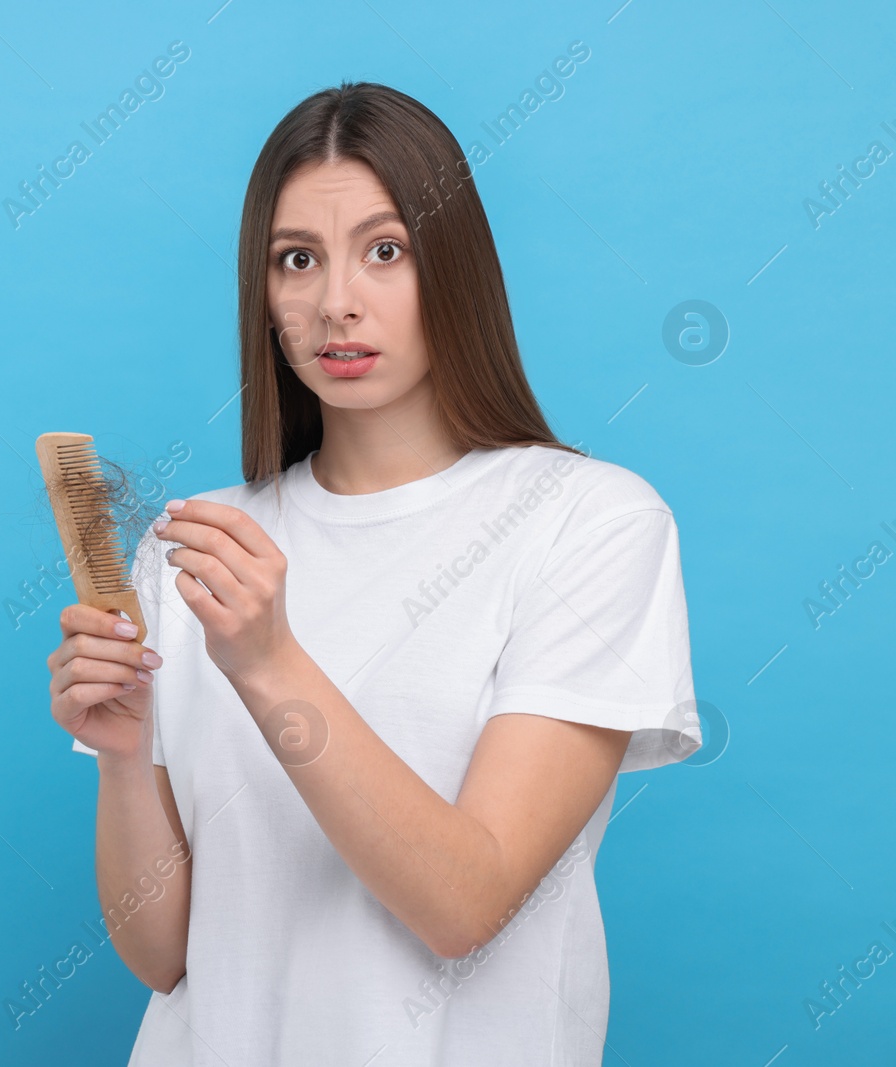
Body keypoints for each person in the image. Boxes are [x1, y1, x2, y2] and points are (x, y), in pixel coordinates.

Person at [45, 80, 703, 1066]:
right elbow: (165, 954)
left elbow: (463, 902)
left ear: (456, 267)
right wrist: (127, 758)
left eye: (384, 250)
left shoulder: (589, 522)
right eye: (295, 259)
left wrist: (268, 664)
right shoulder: (193, 546)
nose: (333, 301)